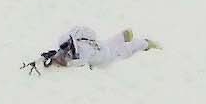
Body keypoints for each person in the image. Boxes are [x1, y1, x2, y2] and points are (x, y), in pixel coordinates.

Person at [22, 24, 157, 71]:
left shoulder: (84, 51)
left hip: (106, 58)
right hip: (102, 47)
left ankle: (144, 43)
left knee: (124, 51)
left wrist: (63, 63)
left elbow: (78, 63)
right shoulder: (80, 43)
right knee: (110, 43)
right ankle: (124, 35)